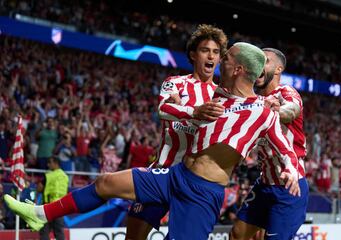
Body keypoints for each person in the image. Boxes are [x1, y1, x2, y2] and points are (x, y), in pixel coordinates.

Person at [4, 42, 300, 240]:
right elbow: (168, 109)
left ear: (237, 69)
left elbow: (284, 147)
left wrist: (289, 170)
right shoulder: (217, 95)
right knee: (107, 182)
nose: (219, 61)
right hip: (174, 174)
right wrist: (191, 109)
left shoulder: (262, 111)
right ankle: (40, 214)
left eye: (226, 58)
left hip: (202, 193)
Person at [126, 24, 228, 239]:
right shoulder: (175, 83)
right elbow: (163, 109)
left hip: (195, 181)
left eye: (216, 52)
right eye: (205, 50)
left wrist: (181, 109)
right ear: (193, 55)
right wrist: (196, 112)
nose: (211, 56)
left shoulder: (223, 96)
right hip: (162, 171)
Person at [229, 48, 309, 240]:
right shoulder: (254, 100)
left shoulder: (286, 92)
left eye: (264, 61)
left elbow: (292, 110)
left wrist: (275, 112)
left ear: (279, 69)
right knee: (237, 234)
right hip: (264, 183)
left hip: (289, 185)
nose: (257, 65)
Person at [38, 157, 69, 240]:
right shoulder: (65, 176)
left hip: (48, 207)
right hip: (60, 207)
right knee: (59, 232)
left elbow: (39, 188)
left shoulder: (49, 175)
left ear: (56, 163)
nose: (48, 164)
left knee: (44, 231)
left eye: (50, 162)